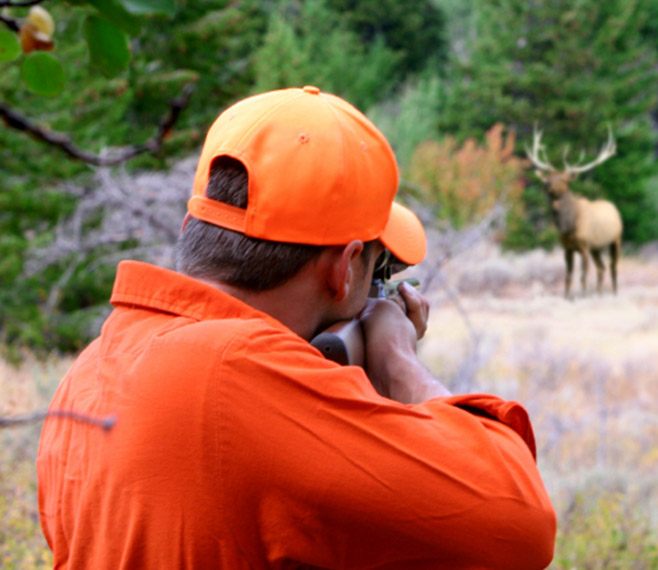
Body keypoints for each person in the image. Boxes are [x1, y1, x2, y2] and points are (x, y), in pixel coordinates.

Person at [36, 86, 557, 569]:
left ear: (193, 228)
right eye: (377, 270)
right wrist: (398, 362)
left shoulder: (90, 371)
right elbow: (520, 525)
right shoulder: (240, 372)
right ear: (344, 267)